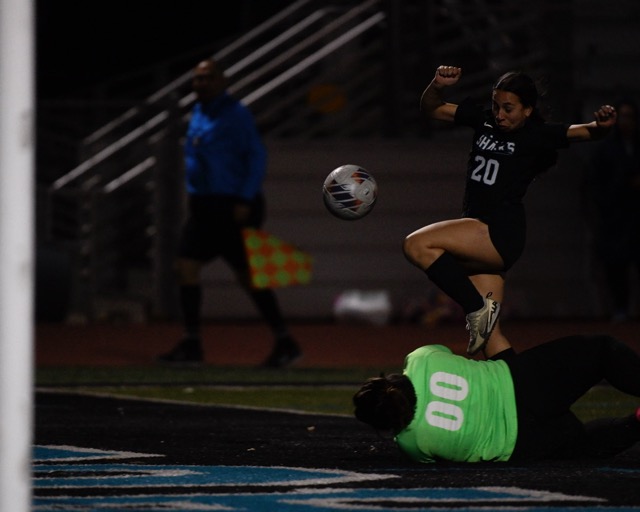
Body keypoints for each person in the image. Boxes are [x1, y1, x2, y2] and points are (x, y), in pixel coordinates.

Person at [403, 65, 618, 356]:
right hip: (481, 232)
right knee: (490, 339)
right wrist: (437, 85)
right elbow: (433, 108)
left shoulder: (537, 134)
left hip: (498, 231)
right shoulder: (485, 119)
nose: (500, 114)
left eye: (508, 108)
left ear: (528, 110)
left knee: (416, 244)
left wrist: (602, 126)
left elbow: (586, 132)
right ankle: (520, 394)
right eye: (496, 105)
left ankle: (477, 308)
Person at [157, 58, 302, 367]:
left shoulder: (235, 114)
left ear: (222, 81)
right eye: (197, 78)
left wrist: (244, 199)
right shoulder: (198, 112)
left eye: (208, 78)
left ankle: (284, 341)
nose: (201, 83)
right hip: (205, 205)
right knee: (186, 267)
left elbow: (256, 156)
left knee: (247, 276)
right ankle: (192, 343)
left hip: (231, 204)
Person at [353, 334, 640, 463]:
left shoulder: (412, 444)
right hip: (522, 383)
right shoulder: (421, 358)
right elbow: (451, 352)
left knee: (581, 446)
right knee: (601, 351)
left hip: (520, 440)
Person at [586, 98, 640, 322]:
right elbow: (595, 184)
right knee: (616, 267)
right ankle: (620, 309)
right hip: (615, 218)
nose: (627, 122)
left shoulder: (638, 146)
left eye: (630, 117)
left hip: (637, 217)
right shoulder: (606, 149)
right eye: (623, 117)